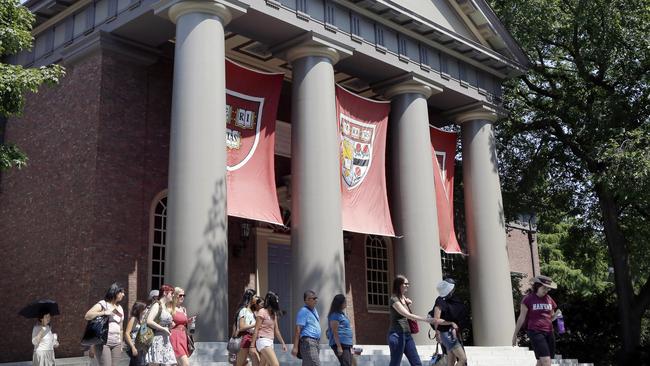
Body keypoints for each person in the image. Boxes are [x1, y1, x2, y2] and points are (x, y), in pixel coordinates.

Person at [512, 275, 561, 366]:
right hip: (535, 332)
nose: (546, 290)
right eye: (544, 288)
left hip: (549, 332)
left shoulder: (549, 299)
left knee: (540, 362)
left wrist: (557, 315)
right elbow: (521, 317)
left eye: (548, 289)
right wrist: (515, 334)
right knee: (546, 361)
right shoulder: (528, 299)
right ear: (537, 286)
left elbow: (551, 317)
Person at [387, 275, 432, 366]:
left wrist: (408, 304)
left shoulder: (404, 298)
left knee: (417, 363)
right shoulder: (394, 299)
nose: (408, 285)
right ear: (399, 285)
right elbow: (407, 315)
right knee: (395, 363)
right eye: (405, 284)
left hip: (407, 335)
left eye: (408, 284)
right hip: (396, 335)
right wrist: (426, 320)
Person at [84, 283, 126, 366]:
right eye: (122, 292)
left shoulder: (120, 308)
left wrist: (120, 344)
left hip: (116, 344)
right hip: (103, 343)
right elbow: (87, 316)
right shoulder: (103, 304)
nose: (123, 295)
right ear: (115, 292)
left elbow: (121, 328)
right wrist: (104, 312)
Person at [430, 279, 467, 366]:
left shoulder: (451, 299)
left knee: (451, 361)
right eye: (453, 287)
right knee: (462, 359)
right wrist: (450, 323)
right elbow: (436, 319)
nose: (454, 289)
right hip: (447, 335)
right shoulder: (440, 301)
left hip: (450, 334)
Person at [252, 292, 287, 366]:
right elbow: (256, 329)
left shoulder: (274, 314)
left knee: (263, 365)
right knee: (275, 364)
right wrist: (252, 346)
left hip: (270, 342)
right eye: (276, 300)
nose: (277, 302)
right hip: (262, 341)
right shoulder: (262, 311)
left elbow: (276, 330)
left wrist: (283, 343)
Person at [145, 284, 177, 366]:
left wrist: (170, 325)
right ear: (165, 293)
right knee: (156, 363)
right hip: (157, 339)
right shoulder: (157, 305)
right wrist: (163, 329)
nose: (172, 296)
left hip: (165, 340)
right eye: (171, 293)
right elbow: (149, 321)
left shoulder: (165, 307)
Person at [292, 290, 321, 366]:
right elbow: (298, 329)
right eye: (313, 298)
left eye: (316, 298)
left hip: (316, 342)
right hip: (308, 342)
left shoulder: (314, 310)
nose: (316, 300)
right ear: (306, 300)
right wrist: (295, 347)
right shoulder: (303, 311)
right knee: (316, 364)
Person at [234, 289, 260, 366]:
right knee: (240, 364)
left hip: (253, 338)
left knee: (257, 362)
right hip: (245, 338)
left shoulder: (252, 311)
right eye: (255, 296)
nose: (257, 298)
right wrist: (255, 324)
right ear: (250, 297)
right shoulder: (243, 310)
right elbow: (241, 327)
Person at [326, 294, 353, 366]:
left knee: (348, 364)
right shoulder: (335, 315)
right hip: (340, 344)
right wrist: (339, 346)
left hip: (347, 344)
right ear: (339, 303)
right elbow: (335, 332)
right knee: (346, 364)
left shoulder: (342, 314)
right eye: (344, 302)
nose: (346, 303)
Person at [169, 287, 192, 366]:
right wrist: (170, 323)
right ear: (175, 296)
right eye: (180, 295)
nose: (182, 297)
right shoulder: (170, 308)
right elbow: (166, 321)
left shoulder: (183, 309)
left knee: (177, 364)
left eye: (184, 295)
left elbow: (183, 322)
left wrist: (189, 321)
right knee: (185, 364)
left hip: (183, 336)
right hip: (175, 336)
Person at [124, 302, 147, 366]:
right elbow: (127, 333)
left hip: (141, 346)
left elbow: (143, 332)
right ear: (140, 310)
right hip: (134, 345)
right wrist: (133, 347)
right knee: (139, 363)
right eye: (144, 308)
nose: (146, 310)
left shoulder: (142, 319)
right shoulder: (133, 319)